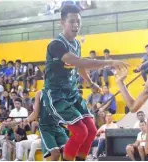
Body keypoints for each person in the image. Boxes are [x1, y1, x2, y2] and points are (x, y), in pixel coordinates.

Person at [41, 4, 127, 161]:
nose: (76, 25)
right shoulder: (56, 45)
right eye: (72, 21)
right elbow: (76, 60)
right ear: (62, 22)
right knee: (81, 131)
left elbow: (79, 66)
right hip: (56, 96)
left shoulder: (77, 44)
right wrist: (110, 62)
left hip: (72, 93)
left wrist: (90, 83)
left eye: (78, 21)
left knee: (92, 130)